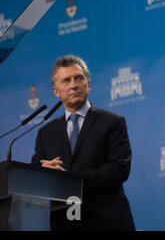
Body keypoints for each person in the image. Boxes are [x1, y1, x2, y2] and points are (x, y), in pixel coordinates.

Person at [31, 55, 135, 231]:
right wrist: (44, 173)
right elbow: (35, 174)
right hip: (65, 224)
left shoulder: (112, 122)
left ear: (89, 83)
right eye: (66, 80)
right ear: (56, 91)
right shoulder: (45, 133)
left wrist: (70, 180)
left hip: (107, 221)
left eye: (79, 78)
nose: (74, 85)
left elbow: (119, 169)